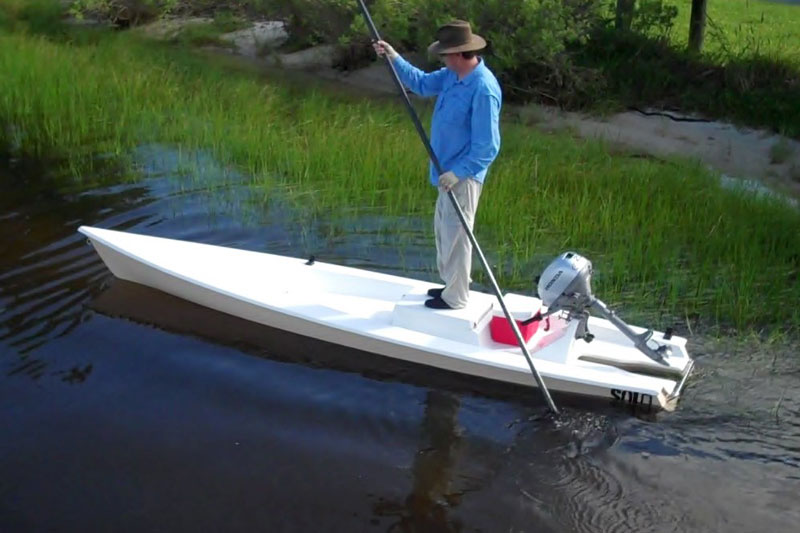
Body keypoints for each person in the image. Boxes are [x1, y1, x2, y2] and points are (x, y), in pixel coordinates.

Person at [373, 20, 502, 310]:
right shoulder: (450, 75)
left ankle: (456, 298)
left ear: (458, 54)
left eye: (444, 54)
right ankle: (451, 287)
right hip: (444, 172)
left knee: (458, 235)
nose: (442, 59)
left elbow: (488, 146)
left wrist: (458, 173)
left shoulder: (483, 89)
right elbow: (419, 82)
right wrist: (393, 57)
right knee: (444, 232)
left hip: (463, 177)